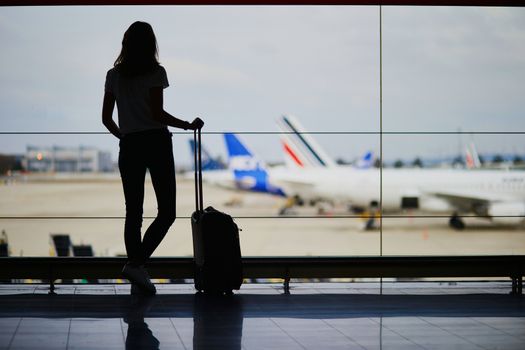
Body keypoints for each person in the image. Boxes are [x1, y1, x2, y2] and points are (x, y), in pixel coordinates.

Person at [102, 21, 203, 295]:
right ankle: (137, 264)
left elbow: (106, 119)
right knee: (167, 212)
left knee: (133, 212)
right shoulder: (156, 72)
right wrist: (186, 124)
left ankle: (137, 267)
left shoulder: (114, 75)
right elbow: (157, 114)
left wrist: (124, 136)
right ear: (151, 44)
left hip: (130, 145)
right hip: (157, 143)